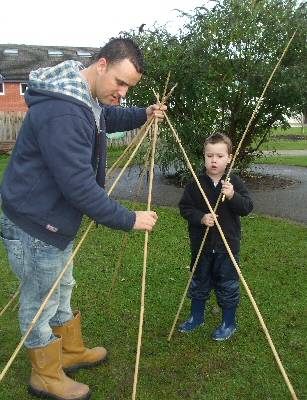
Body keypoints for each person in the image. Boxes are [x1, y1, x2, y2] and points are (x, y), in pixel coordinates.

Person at [0, 38, 166, 400]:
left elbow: (108, 115)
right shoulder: (63, 112)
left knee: (61, 287)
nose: (122, 93)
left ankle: (70, 350)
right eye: (120, 83)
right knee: (39, 300)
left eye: (129, 88)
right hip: (35, 222)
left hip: (52, 219)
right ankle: (44, 375)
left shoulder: (85, 97)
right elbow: (78, 187)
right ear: (102, 64)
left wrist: (143, 112)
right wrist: (128, 218)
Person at [178, 133, 253, 341]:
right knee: (199, 281)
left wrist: (232, 196)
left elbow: (247, 207)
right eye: (209, 155)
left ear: (229, 158)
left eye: (219, 156)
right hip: (201, 246)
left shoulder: (233, 183)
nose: (214, 160)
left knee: (227, 284)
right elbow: (184, 208)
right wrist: (201, 218)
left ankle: (229, 322)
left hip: (227, 246)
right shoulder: (196, 184)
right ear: (204, 157)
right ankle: (196, 316)